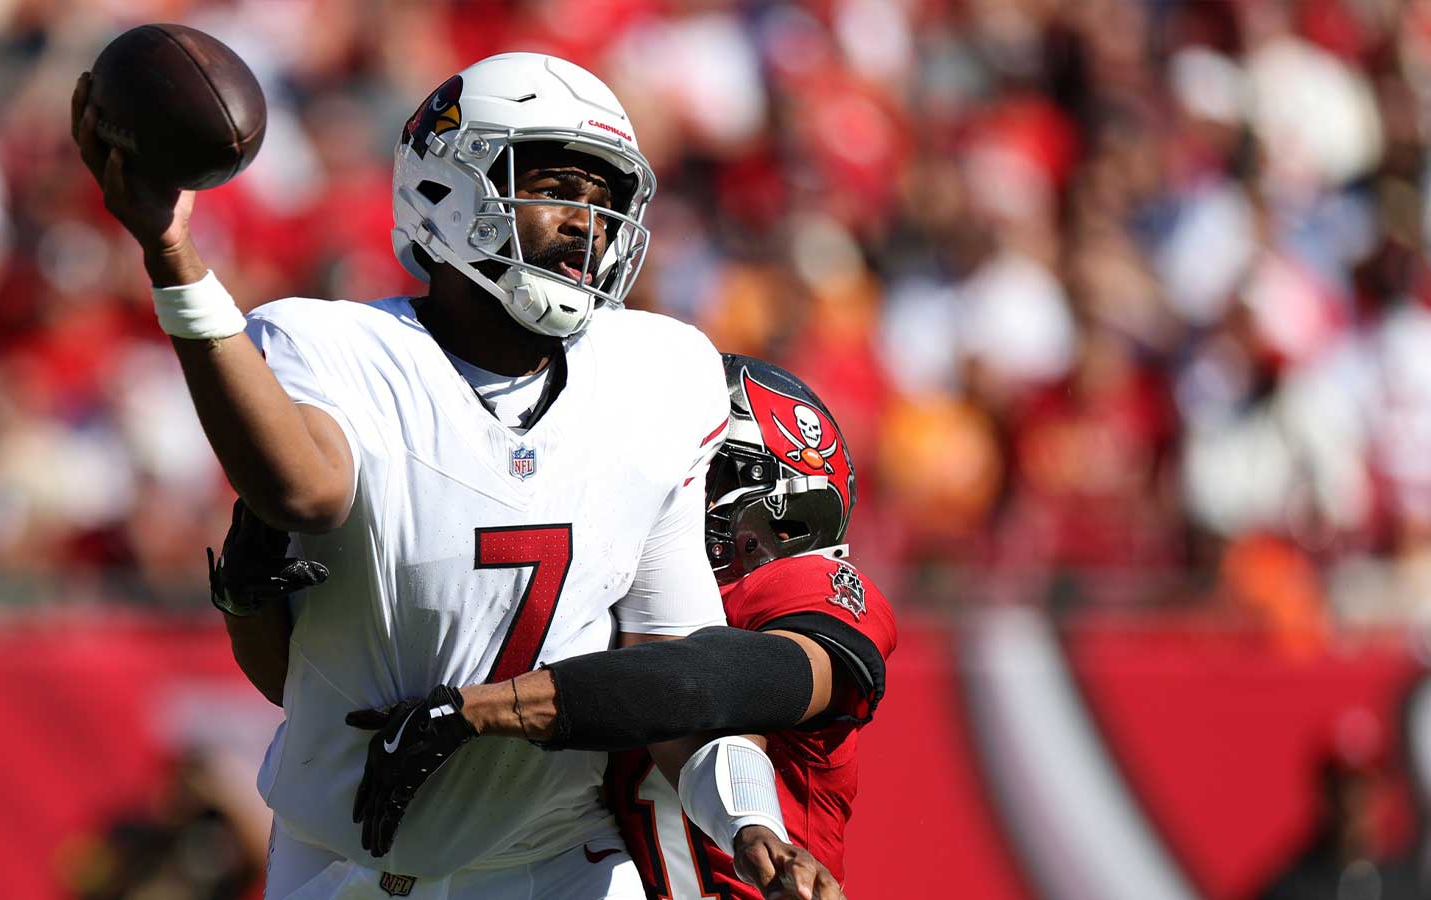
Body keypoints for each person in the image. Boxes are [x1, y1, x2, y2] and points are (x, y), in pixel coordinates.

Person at [74, 51, 839, 900]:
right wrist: (175, 255)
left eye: (604, 198)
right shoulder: (333, 346)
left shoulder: (656, 374)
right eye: (555, 185)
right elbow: (306, 493)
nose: (588, 222)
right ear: (447, 184)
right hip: (347, 865)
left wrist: (749, 823)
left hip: (557, 861)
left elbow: (678, 678)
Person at [220, 356, 895, 898]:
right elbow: (317, 695)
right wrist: (251, 605)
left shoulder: (802, 589)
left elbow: (695, 682)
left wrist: (481, 709)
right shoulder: (611, 580)